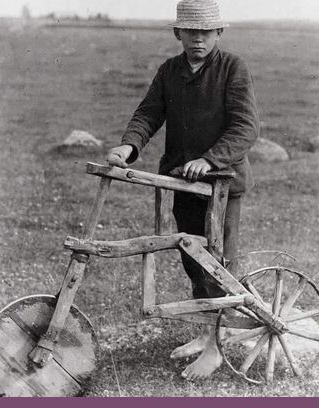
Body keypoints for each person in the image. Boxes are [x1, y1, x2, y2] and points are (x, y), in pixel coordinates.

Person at [106, 0, 259, 380]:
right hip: (181, 181)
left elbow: (245, 127)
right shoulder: (169, 71)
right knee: (192, 258)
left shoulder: (233, 68)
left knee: (220, 263)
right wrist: (129, 145)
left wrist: (210, 160)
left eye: (206, 32)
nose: (198, 39)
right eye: (191, 32)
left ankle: (216, 347)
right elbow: (148, 113)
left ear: (218, 33)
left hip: (222, 184)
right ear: (178, 33)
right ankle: (207, 332)